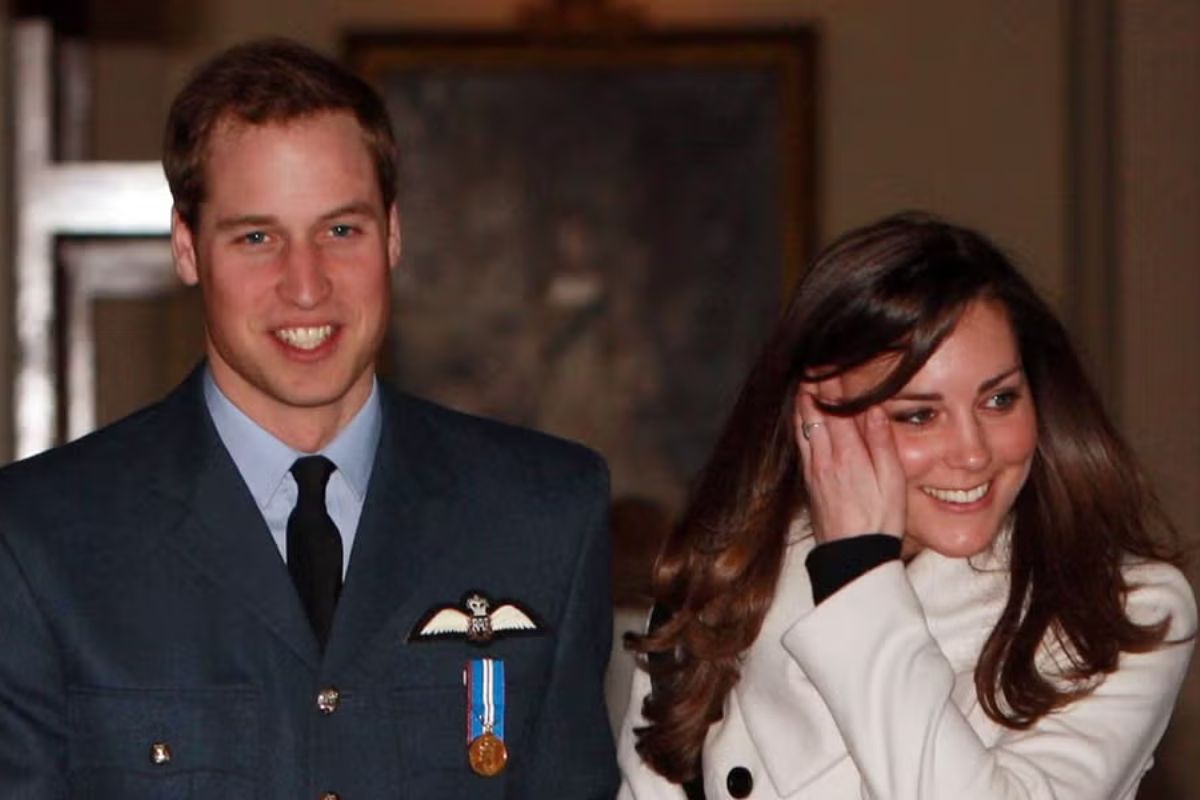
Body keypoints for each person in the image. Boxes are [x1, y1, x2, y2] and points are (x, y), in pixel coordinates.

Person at [0, 39, 617, 798]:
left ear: (393, 234)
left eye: (341, 231)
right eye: (257, 237)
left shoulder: (544, 514)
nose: (305, 285)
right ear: (187, 248)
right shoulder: (42, 539)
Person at [617, 213, 1196, 799]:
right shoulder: (723, 580)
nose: (972, 452)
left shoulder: (1121, 610)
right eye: (920, 414)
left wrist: (858, 575)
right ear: (819, 418)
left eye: (999, 400)